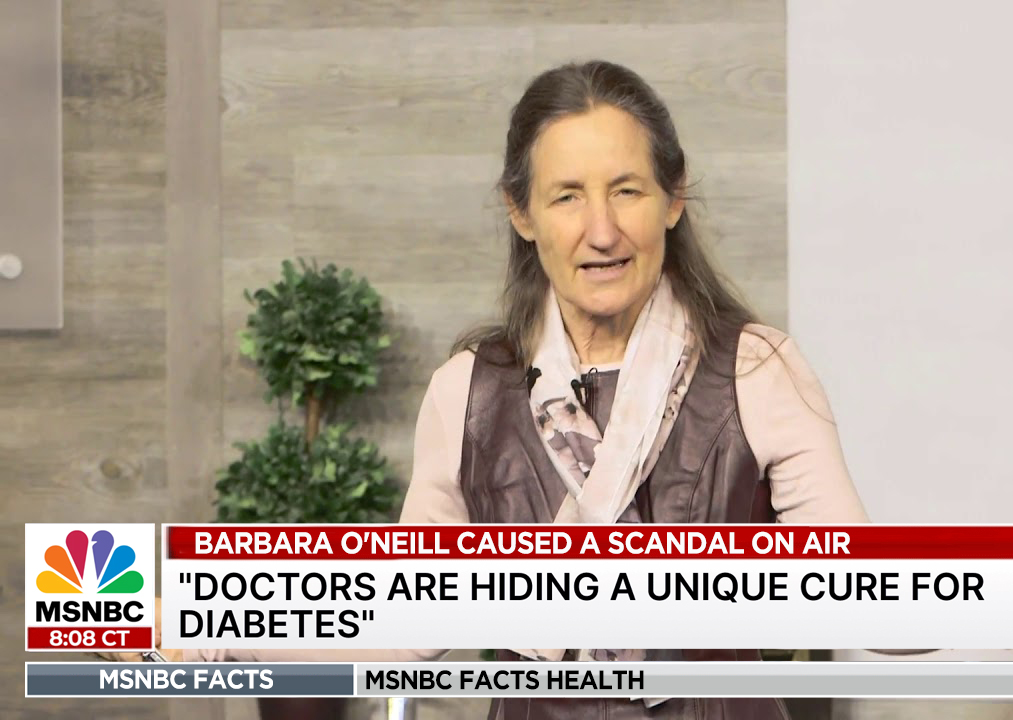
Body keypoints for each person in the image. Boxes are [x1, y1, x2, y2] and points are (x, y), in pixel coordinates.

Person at [116, 60, 870, 719]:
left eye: (627, 190)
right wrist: (194, 619)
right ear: (522, 212)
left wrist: (935, 599)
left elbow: (860, 590)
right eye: (567, 196)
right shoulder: (467, 392)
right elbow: (402, 617)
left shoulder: (758, 369)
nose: (601, 231)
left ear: (673, 199)